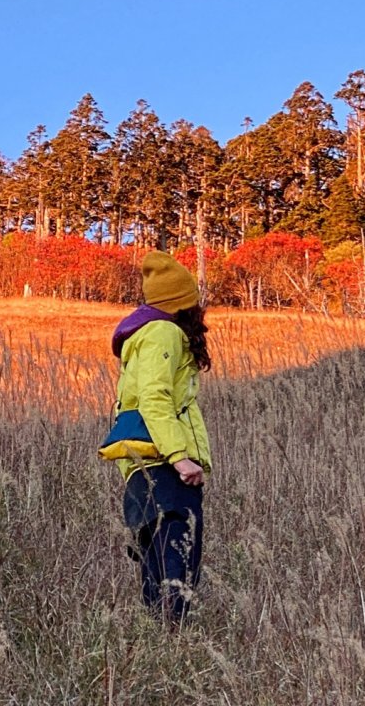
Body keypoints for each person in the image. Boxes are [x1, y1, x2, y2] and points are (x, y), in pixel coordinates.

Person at [106, 250, 212, 623]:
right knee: (177, 569)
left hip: (142, 471)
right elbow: (155, 398)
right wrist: (179, 456)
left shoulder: (142, 336)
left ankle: (160, 648)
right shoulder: (165, 332)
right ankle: (176, 644)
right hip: (165, 469)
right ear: (182, 302)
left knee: (156, 573)